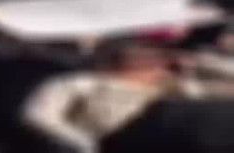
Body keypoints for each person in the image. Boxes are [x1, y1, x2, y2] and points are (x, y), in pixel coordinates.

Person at [22, 41, 205, 153]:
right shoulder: (82, 83)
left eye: (158, 57)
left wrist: (186, 74)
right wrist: (80, 142)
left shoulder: (173, 87)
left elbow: (199, 108)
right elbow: (39, 115)